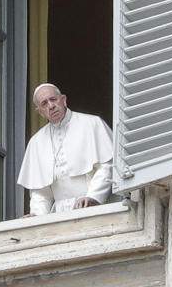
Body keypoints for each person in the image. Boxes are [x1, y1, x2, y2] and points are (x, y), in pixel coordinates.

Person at [17, 83, 114, 215]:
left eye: (53, 99)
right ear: (39, 112)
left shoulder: (92, 124)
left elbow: (107, 166)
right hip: (59, 214)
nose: (51, 106)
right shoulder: (36, 142)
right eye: (44, 104)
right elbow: (41, 193)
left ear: (64, 100)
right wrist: (37, 215)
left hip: (93, 207)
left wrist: (93, 197)